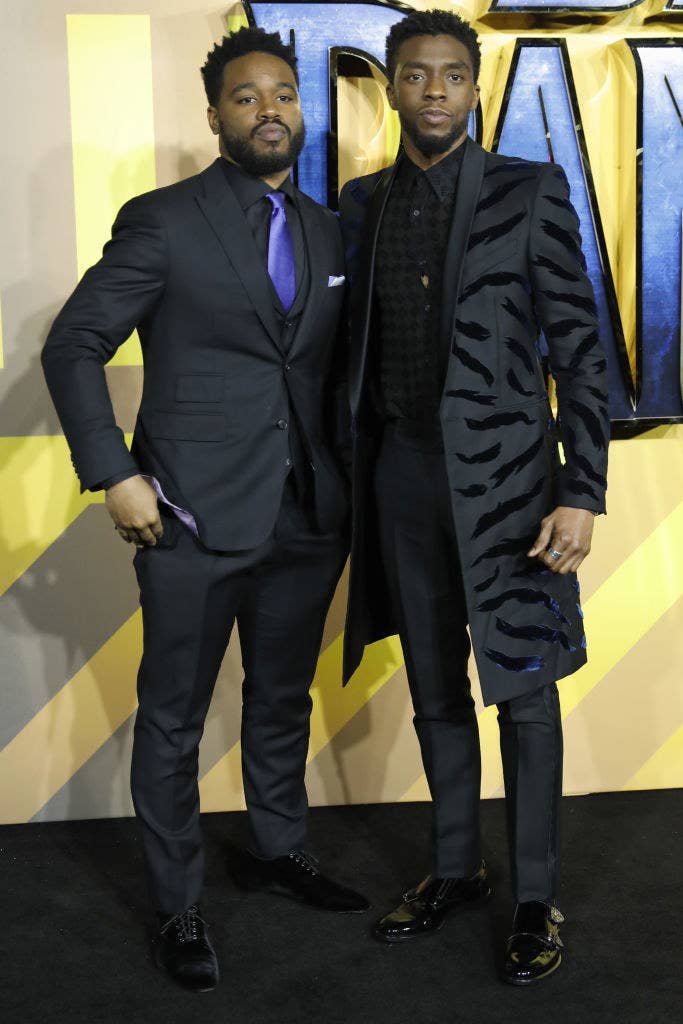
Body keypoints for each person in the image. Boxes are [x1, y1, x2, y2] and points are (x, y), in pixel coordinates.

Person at [42, 26, 367, 994]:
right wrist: (115, 474)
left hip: (307, 512)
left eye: (282, 94)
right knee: (175, 716)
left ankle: (273, 847)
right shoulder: (163, 219)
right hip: (185, 513)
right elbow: (73, 347)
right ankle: (178, 902)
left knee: (280, 698)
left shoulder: (322, 227)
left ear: (299, 109)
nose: (268, 109)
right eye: (245, 97)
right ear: (215, 115)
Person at [339, 9, 608, 985]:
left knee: (524, 696)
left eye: (453, 74)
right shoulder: (360, 205)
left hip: (510, 493)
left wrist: (581, 489)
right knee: (432, 690)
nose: (437, 90)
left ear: (472, 85)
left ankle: (533, 894)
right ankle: (453, 868)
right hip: (400, 483)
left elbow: (579, 349)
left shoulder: (527, 191)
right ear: (393, 87)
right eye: (417, 75)